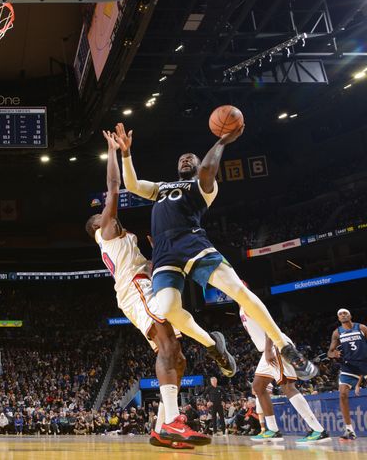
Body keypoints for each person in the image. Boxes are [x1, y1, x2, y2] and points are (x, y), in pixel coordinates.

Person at [113, 122, 317, 380]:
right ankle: (213, 345)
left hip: (192, 243)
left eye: (191, 159)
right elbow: (131, 185)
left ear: (198, 167)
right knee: (166, 310)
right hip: (164, 253)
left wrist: (222, 141)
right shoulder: (161, 188)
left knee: (238, 291)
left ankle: (285, 346)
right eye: (182, 158)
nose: (186, 159)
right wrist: (126, 153)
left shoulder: (203, 186)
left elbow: (209, 168)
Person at [85, 131, 222, 450]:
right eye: (102, 215)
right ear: (97, 224)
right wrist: (112, 152)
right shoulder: (105, 231)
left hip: (140, 286)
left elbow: (144, 265)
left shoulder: (120, 242)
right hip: (136, 291)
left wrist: (156, 256)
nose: (107, 215)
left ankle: (162, 427)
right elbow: (113, 187)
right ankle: (174, 422)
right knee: (168, 344)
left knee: (178, 358)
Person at [240, 304, 330, 444]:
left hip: (275, 344)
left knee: (287, 387)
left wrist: (269, 348)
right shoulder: (242, 307)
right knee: (258, 387)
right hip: (267, 349)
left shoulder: (248, 303)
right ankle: (273, 430)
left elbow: (269, 324)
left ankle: (318, 430)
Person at [328, 308, 367, 441]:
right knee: (343, 394)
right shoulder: (337, 333)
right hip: (349, 366)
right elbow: (330, 352)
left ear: (350, 315)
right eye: (340, 314)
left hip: (364, 362)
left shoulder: (362, 327)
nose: (343, 315)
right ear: (338, 318)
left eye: (345, 313)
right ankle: (349, 430)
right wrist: (334, 354)